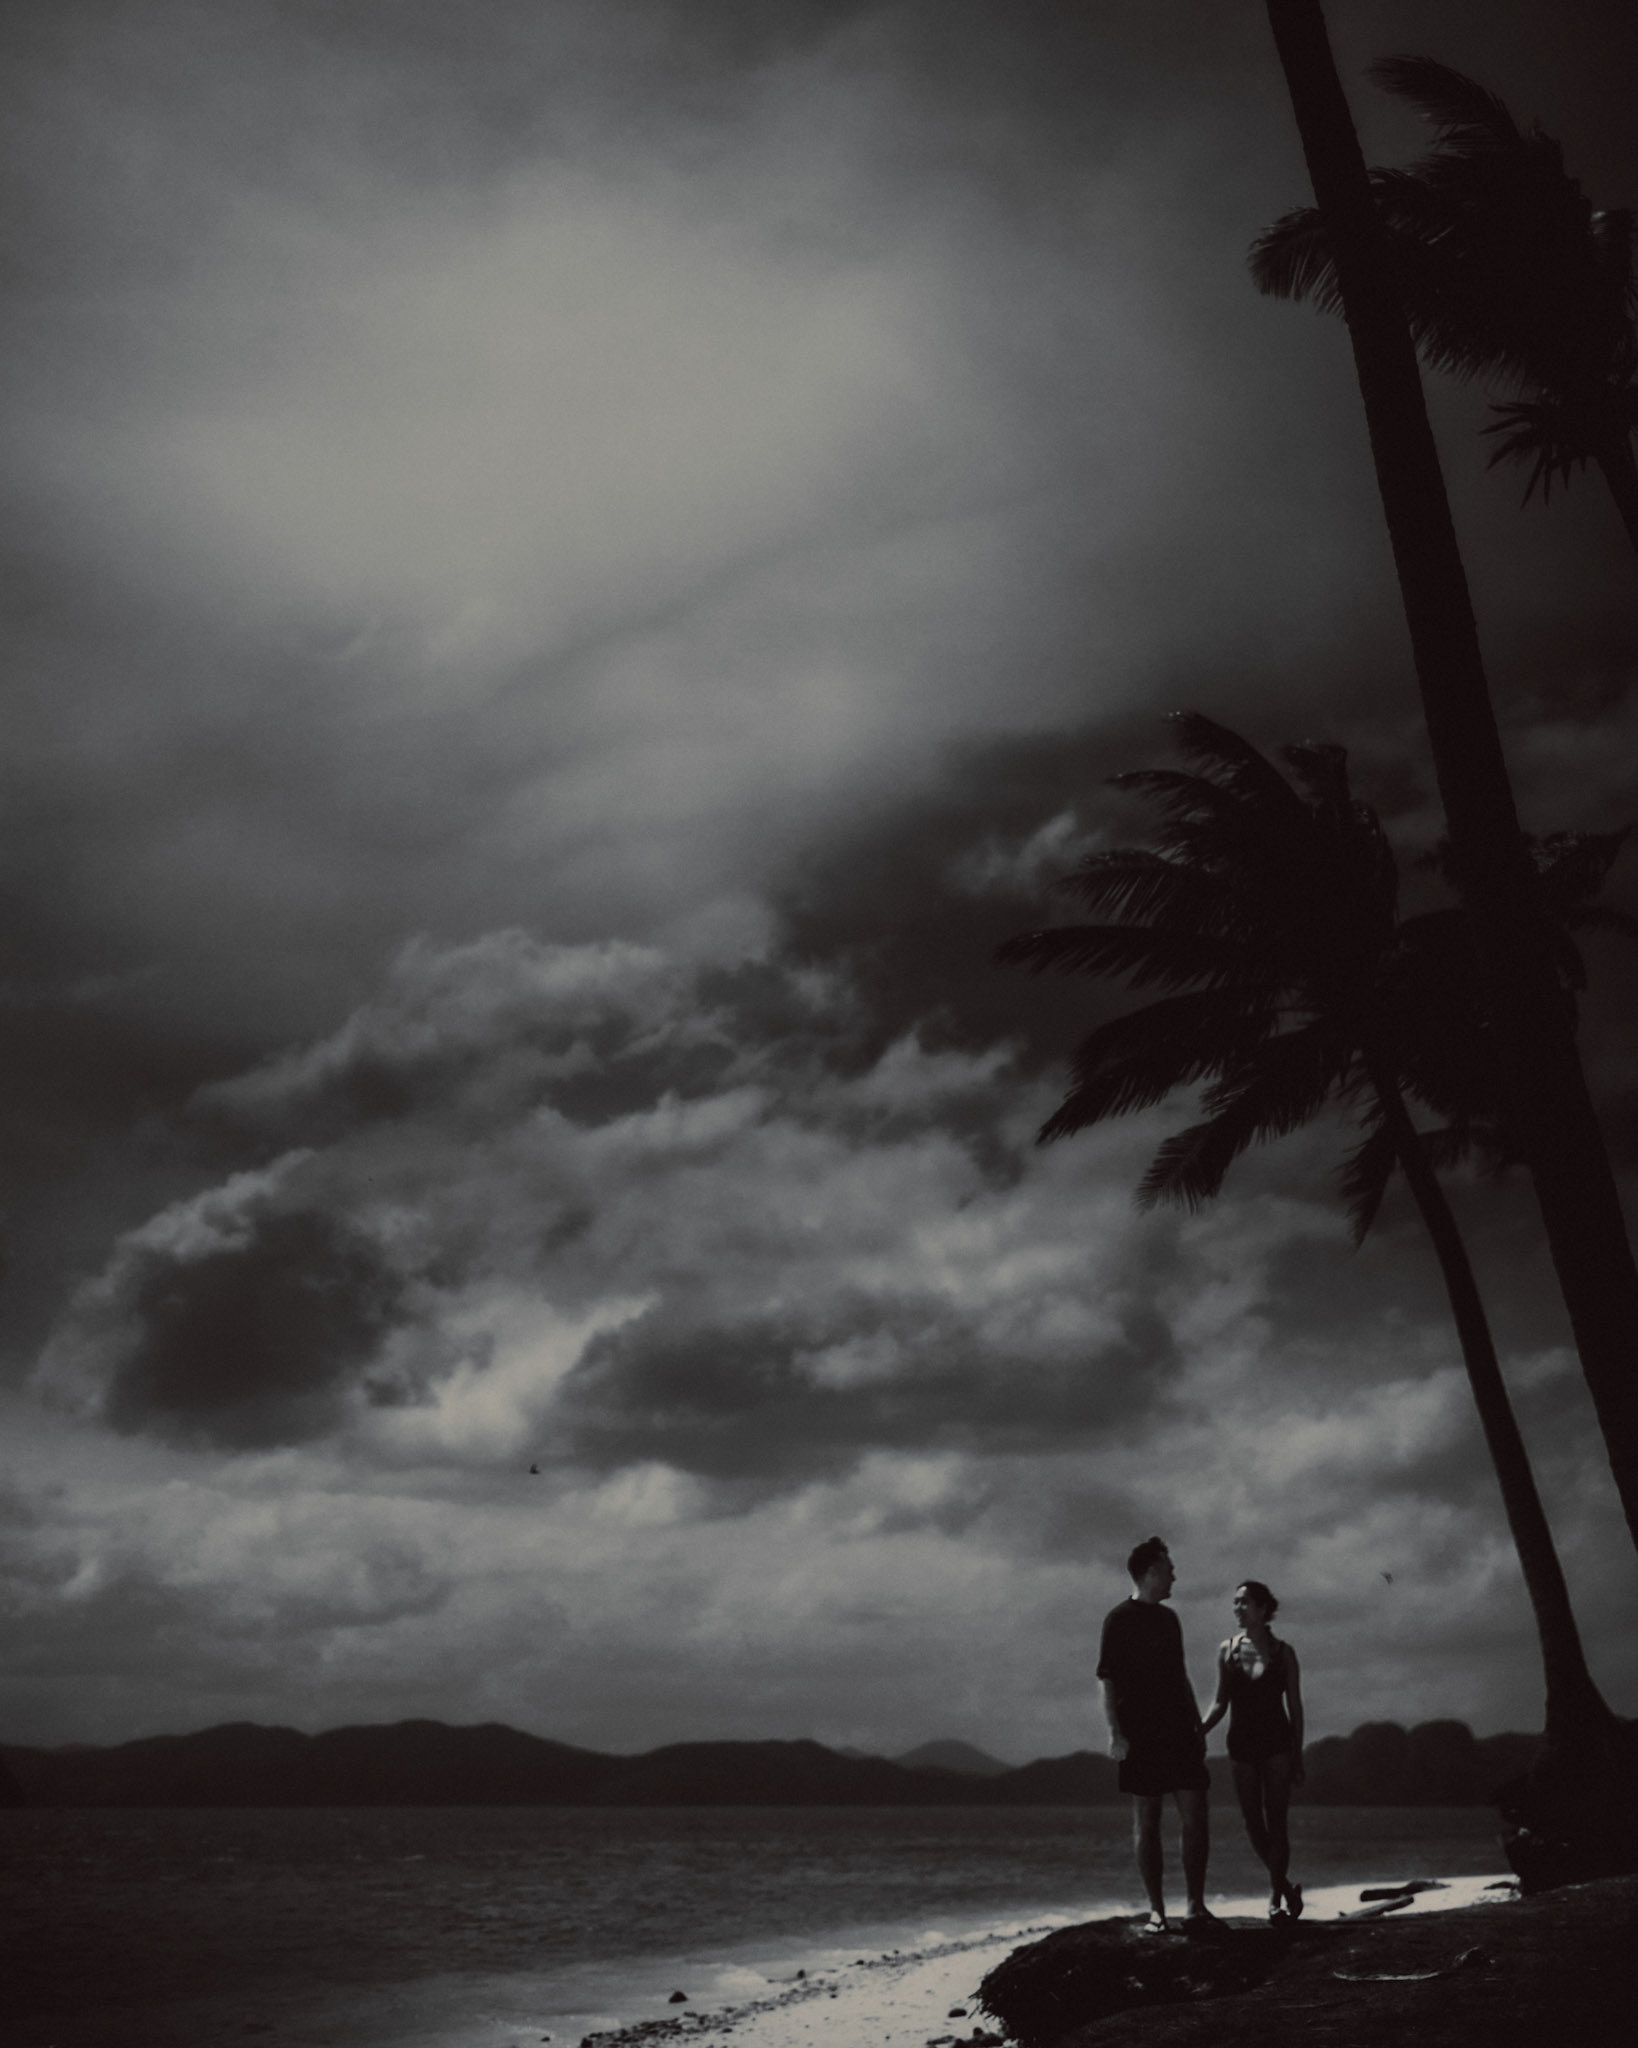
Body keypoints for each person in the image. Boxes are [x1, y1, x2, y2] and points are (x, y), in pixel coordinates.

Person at [1097, 1536, 1212, 1933]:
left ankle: (1195, 1906)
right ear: (1150, 1573)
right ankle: (1157, 1910)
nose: (1174, 1575)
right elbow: (1107, 1680)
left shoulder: (1170, 1619)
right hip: (1140, 1732)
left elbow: (1180, 1675)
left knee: (1196, 1814)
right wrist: (1115, 1734)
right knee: (1148, 1819)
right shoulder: (1118, 1619)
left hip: (1179, 1728)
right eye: (1169, 1569)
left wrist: (1197, 1724)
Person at [1201, 1578, 1305, 1920]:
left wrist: (1298, 1754)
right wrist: (1196, 1732)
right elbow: (1219, 1703)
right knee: (1252, 1824)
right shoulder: (1226, 1650)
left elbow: (1295, 1707)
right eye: (1235, 1603)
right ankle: (1288, 1888)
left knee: (1277, 1822)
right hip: (1241, 1745)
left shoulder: (1283, 1653)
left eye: (1244, 1602)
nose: (1237, 1609)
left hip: (1278, 1744)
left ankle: (1275, 1898)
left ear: (1263, 1609)